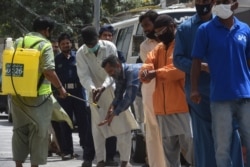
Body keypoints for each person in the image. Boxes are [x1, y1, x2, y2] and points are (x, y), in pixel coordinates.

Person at [173, 0, 244, 166]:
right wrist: (201, 67)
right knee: (204, 140)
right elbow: (177, 59)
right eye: (199, 1)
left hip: (227, 92)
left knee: (231, 135)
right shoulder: (185, 29)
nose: (202, 4)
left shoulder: (228, 24)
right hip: (201, 96)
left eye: (206, 0)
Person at [76, 25, 138, 167]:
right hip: (95, 95)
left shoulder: (109, 46)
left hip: (113, 90)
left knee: (123, 128)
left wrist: (103, 87)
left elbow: (114, 72)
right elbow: (83, 76)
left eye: (93, 43)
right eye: (88, 44)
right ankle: (100, 161)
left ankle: (124, 160)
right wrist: (93, 89)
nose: (91, 46)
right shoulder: (81, 53)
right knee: (98, 130)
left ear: (97, 38)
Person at [11, 16, 67, 167]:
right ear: (46, 30)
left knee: (19, 131)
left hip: (17, 94)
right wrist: (61, 88)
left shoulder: (19, 41)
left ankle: (18, 164)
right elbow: (48, 71)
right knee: (39, 132)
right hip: (39, 96)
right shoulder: (45, 45)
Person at [139, 14, 194, 167]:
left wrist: (156, 73)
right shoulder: (158, 48)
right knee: (169, 155)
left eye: (162, 31)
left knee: (191, 149)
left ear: (172, 27)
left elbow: (178, 69)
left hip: (182, 107)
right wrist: (145, 72)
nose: (160, 35)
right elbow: (147, 64)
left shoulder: (182, 45)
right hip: (162, 111)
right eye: (157, 33)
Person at [53, 33, 95, 164]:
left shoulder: (79, 56)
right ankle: (67, 151)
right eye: (63, 43)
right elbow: (51, 77)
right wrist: (58, 91)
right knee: (65, 122)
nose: (66, 45)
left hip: (78, 92)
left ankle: (86, 149)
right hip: (63, 93)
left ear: (71, 44)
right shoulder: (56, 59)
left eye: (68, 43)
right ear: (59, 45)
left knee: (84, 122)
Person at [99, 55, 142, 166]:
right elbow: (118, 95)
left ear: (118, 65)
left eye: (111, 71)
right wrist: (112, 107)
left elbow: (128, 98)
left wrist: (114, 113)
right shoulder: (119, 74)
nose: (110, 74)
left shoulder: (131, 72)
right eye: (108, 73)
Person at [138, 10, 167, 167]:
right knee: (153, 131)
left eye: (147, 25)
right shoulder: (145, 46)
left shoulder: (170, 41)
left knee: (170, 131)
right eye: (143, 26)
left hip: (170, 92)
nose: (145, 29)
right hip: (151, 92)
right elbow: (150, 68)